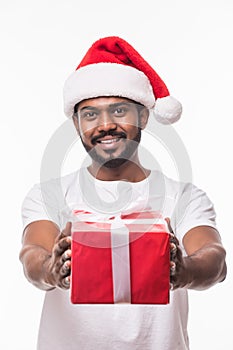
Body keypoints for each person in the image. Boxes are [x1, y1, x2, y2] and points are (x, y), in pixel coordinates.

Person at [19, 36, 227, 350]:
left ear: (143, 116)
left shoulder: (184, 197)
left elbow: (215, 261)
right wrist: (50, 269)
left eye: (119, 111)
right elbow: (31, 256)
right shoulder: (49, 195)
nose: (105, 125)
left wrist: (185, 271)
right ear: (76, 124)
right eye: (90, 114)